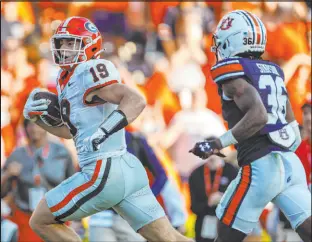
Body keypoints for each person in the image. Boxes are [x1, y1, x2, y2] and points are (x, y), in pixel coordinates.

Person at [23, 16, 192, 242]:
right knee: (170, 238)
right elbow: (71, 133)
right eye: (62, 42)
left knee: (41, 219)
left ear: (90, 45)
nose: (63, 48)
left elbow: (135, 100)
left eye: (71, 43)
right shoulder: (67, 79)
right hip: (125, 168)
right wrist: (38, 120)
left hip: (102, 171)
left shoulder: (89, 70)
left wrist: (105, 130)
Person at [189, 10, 311, 242]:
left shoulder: (233, 74)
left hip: (260, 166)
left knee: (223, 236)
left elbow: (259, 116)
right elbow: (294, 131)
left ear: (232, 40)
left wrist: (216, 143)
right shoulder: (273, 71)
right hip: (290, 164)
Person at [1, 119, 75, 242]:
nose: (34, 129)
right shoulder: (17, 155)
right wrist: (8, 174)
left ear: (46, 126)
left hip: (56, 218)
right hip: (27, 219)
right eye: (30, 125)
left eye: (38, 125)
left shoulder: (61, 152)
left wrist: (76, 220)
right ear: (25, 128)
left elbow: (73, 186)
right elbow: (2, 193)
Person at [189, 139, 238, 242]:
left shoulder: (232, 172)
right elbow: (194, 207)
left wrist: (223, 198)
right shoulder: (196, 174)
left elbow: (240, 202)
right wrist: (208, 203)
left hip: (227, 224)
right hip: (204, 225)